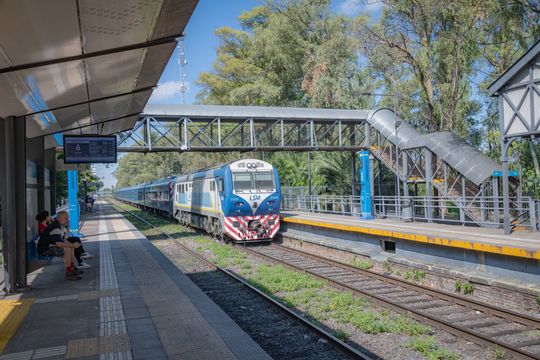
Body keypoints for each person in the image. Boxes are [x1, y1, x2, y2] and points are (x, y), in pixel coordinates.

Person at [38, 211, 83, 280]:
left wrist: (72, 245)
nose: (67, 220)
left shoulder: (59, 225)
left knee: (70, 247)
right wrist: (72, 245)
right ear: (59, 218)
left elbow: (63, 239)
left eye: (67, 218)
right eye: (65, 218)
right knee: (67, 249)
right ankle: (69, 273)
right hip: (45, 249)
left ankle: (72, 268)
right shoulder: (55, 227)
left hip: (50, 246)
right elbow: (58, 243)